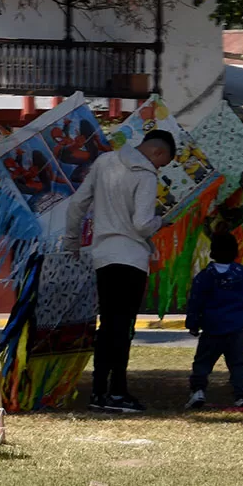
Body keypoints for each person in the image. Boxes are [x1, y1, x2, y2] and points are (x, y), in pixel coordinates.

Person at [64, 129, 175, 413]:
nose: (158, 169)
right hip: (132, 258)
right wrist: (160, 222)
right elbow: (141, 224)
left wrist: (71, 242)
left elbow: (77, 204)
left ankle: (99, 390)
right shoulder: (146, 175)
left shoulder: (104, 162)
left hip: (103, 256)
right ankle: (117, 391)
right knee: (123, 327)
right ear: (158, 153)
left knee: (108, 325)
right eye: (162, 164)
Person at [184, 232, 243, 409]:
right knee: (238, 364)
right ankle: (241, 396)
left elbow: (196, 301)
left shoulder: (204, 277)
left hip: (212, 328)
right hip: (237, 329)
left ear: (212, 252)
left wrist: (192, 323)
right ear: (235, 252)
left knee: (202, 363)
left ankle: (198, 391)